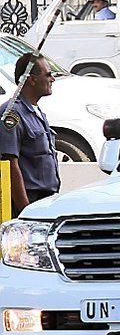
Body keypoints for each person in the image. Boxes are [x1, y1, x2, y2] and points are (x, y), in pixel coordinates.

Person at [0, 53, 59, 216]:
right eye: (48, 74)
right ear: (31, 79)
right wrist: (25, 213)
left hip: (46, 201)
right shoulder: (12, 114)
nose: (52, 79)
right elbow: (10, 164)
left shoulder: (36, 112)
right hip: (29, 204)